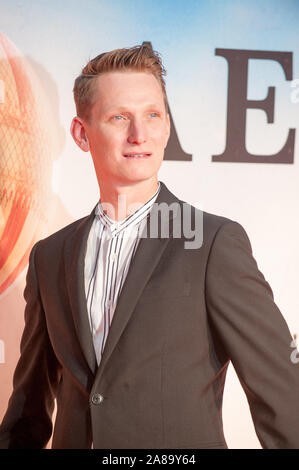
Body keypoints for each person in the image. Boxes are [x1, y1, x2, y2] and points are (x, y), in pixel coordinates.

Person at [0, 44, 298, 449]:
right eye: (119, 117)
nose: (139, 135)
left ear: (167, 127)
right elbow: (27, 411)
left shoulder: (214, 245)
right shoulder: (49, 256)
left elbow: (282, 399)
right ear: (81, 133)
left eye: (152, 115)